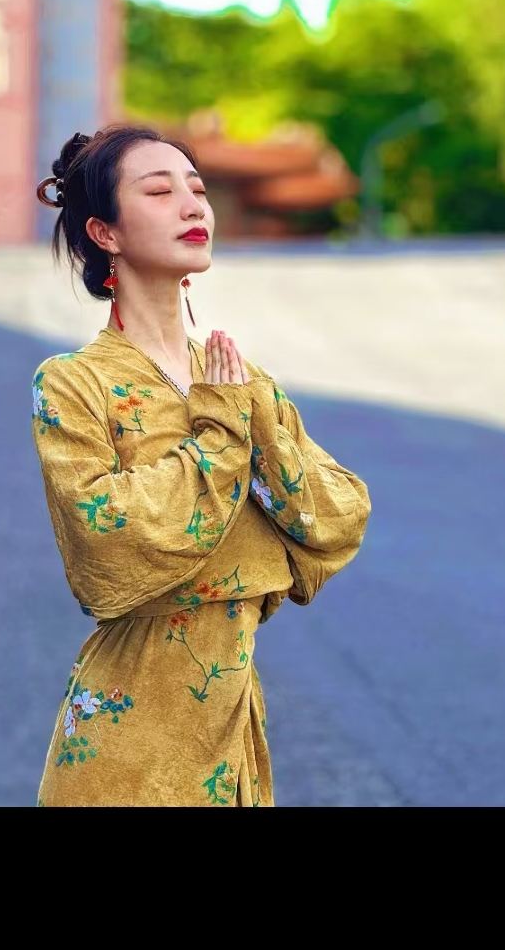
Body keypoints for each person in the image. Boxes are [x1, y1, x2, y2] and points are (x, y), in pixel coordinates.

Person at [32, 123, 372, 806]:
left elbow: (335, 519)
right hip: (129, 733)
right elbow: (109, 544)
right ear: (106, 233)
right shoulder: (73, 384)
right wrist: (220, 436)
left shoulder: (240, 378)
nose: (193, 205)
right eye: (159, 191)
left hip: (232, 730)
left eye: (196, 187)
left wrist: (245, 416)